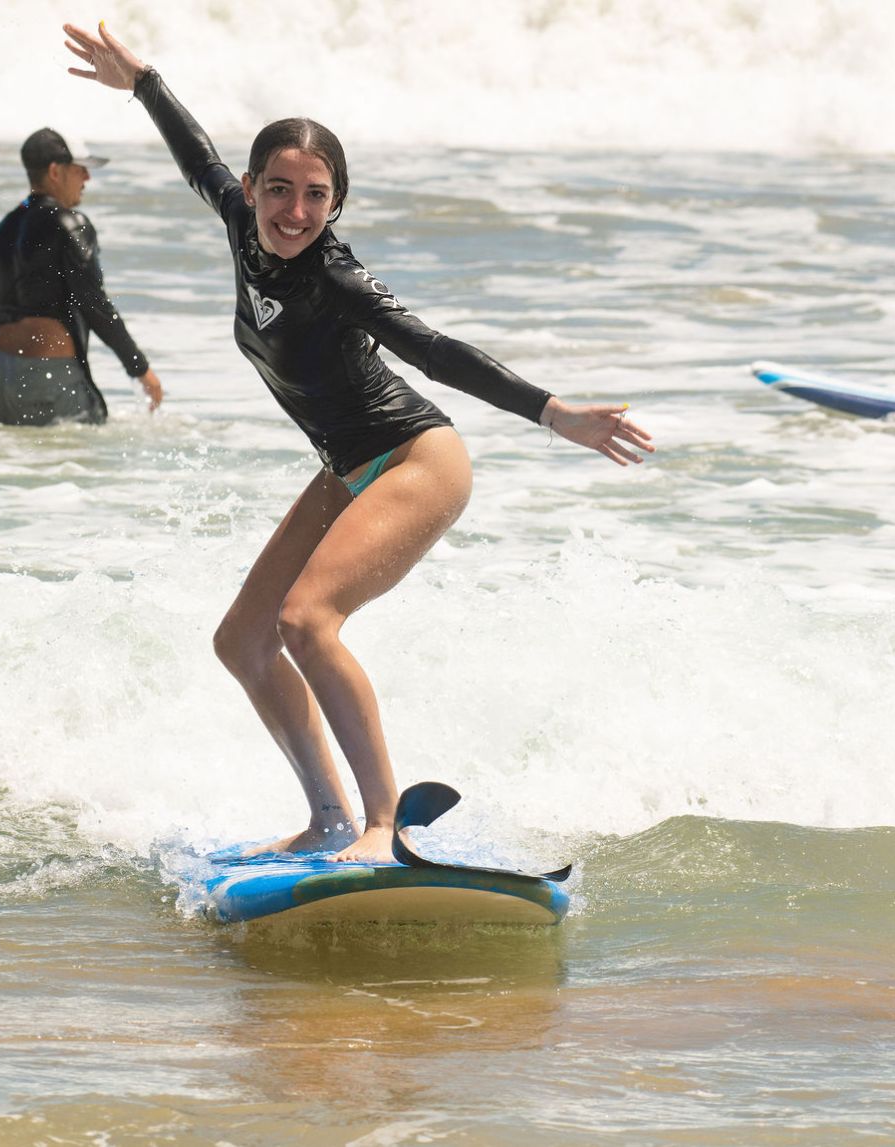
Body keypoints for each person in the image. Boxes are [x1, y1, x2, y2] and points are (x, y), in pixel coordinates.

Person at [64, 21, 655, 863]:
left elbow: (432, 349)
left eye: (314, 195)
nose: (294, 211)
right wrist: (143, 80)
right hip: (346, 468)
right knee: (242, 640)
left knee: (307, 620)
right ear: (251, 187)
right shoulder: (240, 222)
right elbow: (194, 154)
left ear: (335, 203)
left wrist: (554, 413)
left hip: (418, 456)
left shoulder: (334, 274)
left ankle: (383, 824)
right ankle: (330, 818)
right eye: (278, 189)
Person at [0, 126, 164, 425]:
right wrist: (140, 370)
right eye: (81, 169)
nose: (87, 178)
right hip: (50, 376)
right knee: (77, 466)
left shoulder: (2, 230)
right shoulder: (70, 223)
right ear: (56, 171)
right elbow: (95, 304)